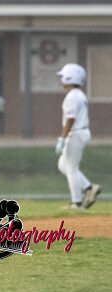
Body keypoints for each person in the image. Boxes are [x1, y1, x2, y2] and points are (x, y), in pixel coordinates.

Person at [55, 64, 101, 209]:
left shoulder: (72, 96)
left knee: (71, 168)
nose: (61, 79)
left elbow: (70, 119)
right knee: (63, 165)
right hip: (81, 132)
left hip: (75, 134)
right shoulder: (79, 95)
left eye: (63, 77)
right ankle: (89, 188)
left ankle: (77, 202)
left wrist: (62, 138)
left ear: (70, 78)